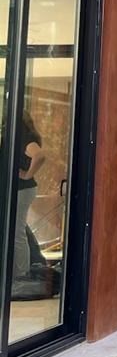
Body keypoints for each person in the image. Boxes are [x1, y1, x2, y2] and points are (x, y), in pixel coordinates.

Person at [12, 112, 50, 298]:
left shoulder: (23, 138)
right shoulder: (20, 136)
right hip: (20, 189)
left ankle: (21, 276)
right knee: (19, 229)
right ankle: (20, 272)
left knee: (17, 230)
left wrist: (27, 174)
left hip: (22, 188)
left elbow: (40, 155)